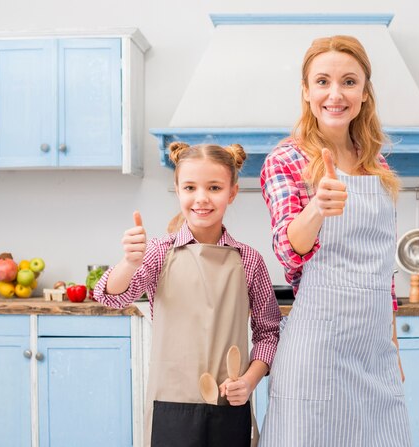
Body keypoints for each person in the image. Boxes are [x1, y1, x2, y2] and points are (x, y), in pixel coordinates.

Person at [258, 35, 412, 446]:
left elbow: (385, 270)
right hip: (318, 350)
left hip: (375, 348)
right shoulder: (286, 159)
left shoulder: (376, 164)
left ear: (364, 94)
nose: (335, 93)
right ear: (307, 92)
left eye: (348, 81)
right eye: (322, 81)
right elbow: (289, 249)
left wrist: (392, 345)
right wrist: (317, 208)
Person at [94, 142, 281, 447]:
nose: (202, 198)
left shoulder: (249, 260)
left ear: (232, 193)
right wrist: (129, 262)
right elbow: (110, 296)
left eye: (215, 187)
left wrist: (248, 382)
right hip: (170, 403)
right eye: (190, 187)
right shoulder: (158, 252)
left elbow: (268, 334)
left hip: (228, 404)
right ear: (178, 190)